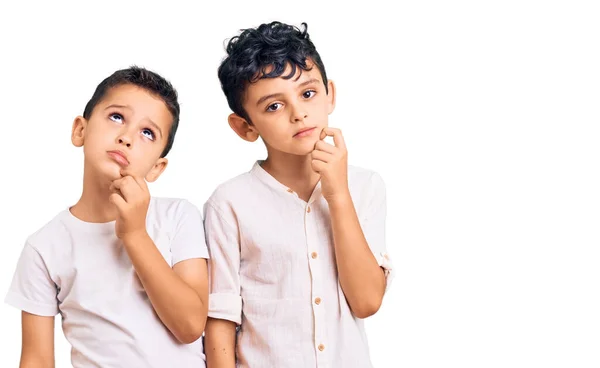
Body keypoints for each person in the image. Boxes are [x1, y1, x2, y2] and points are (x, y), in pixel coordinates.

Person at [204, 21, 394, 368]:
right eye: (274, 106)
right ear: (246, 127)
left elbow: (366, 301)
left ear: (329, 94)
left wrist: (337, 195)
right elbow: (220, 319)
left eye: (307, 94)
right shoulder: (229, 203)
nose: (298, 113)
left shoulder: (365, 186)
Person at [5, 66, 209, 367]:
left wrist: (135, 234)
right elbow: (36, 358)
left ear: (157, 168)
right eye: (117, 117)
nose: (127, 137)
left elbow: (191, 325)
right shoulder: (44, 247)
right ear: (80, 130)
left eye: (147, 133)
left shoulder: (178, 216)